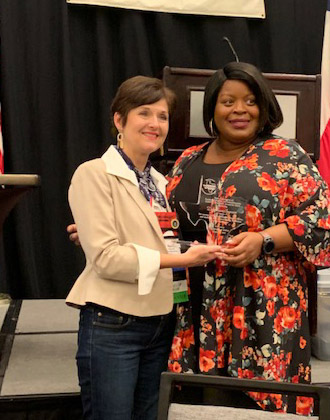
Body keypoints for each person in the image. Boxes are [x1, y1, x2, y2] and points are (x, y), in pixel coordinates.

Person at [165, 62, 330, 414]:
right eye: (227, 101)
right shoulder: (186, 160)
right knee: (193, 406)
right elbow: (163, 220)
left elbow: (322, 222)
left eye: (250, 101)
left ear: (264, 106)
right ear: (212, 108)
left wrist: (262, 240)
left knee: (253, 406)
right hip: (191, 303)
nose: (239, 110)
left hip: (260, 307)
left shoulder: (285, 156)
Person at [66, 75, 221, 420]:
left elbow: (153, 241)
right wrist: (181, 258)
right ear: (119, 120)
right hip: (113, 324)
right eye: (144, 113)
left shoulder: (160, 182)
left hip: (161, 322)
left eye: (163, 116)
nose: (155, 124)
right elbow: (107, 260)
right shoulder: (94, 174)